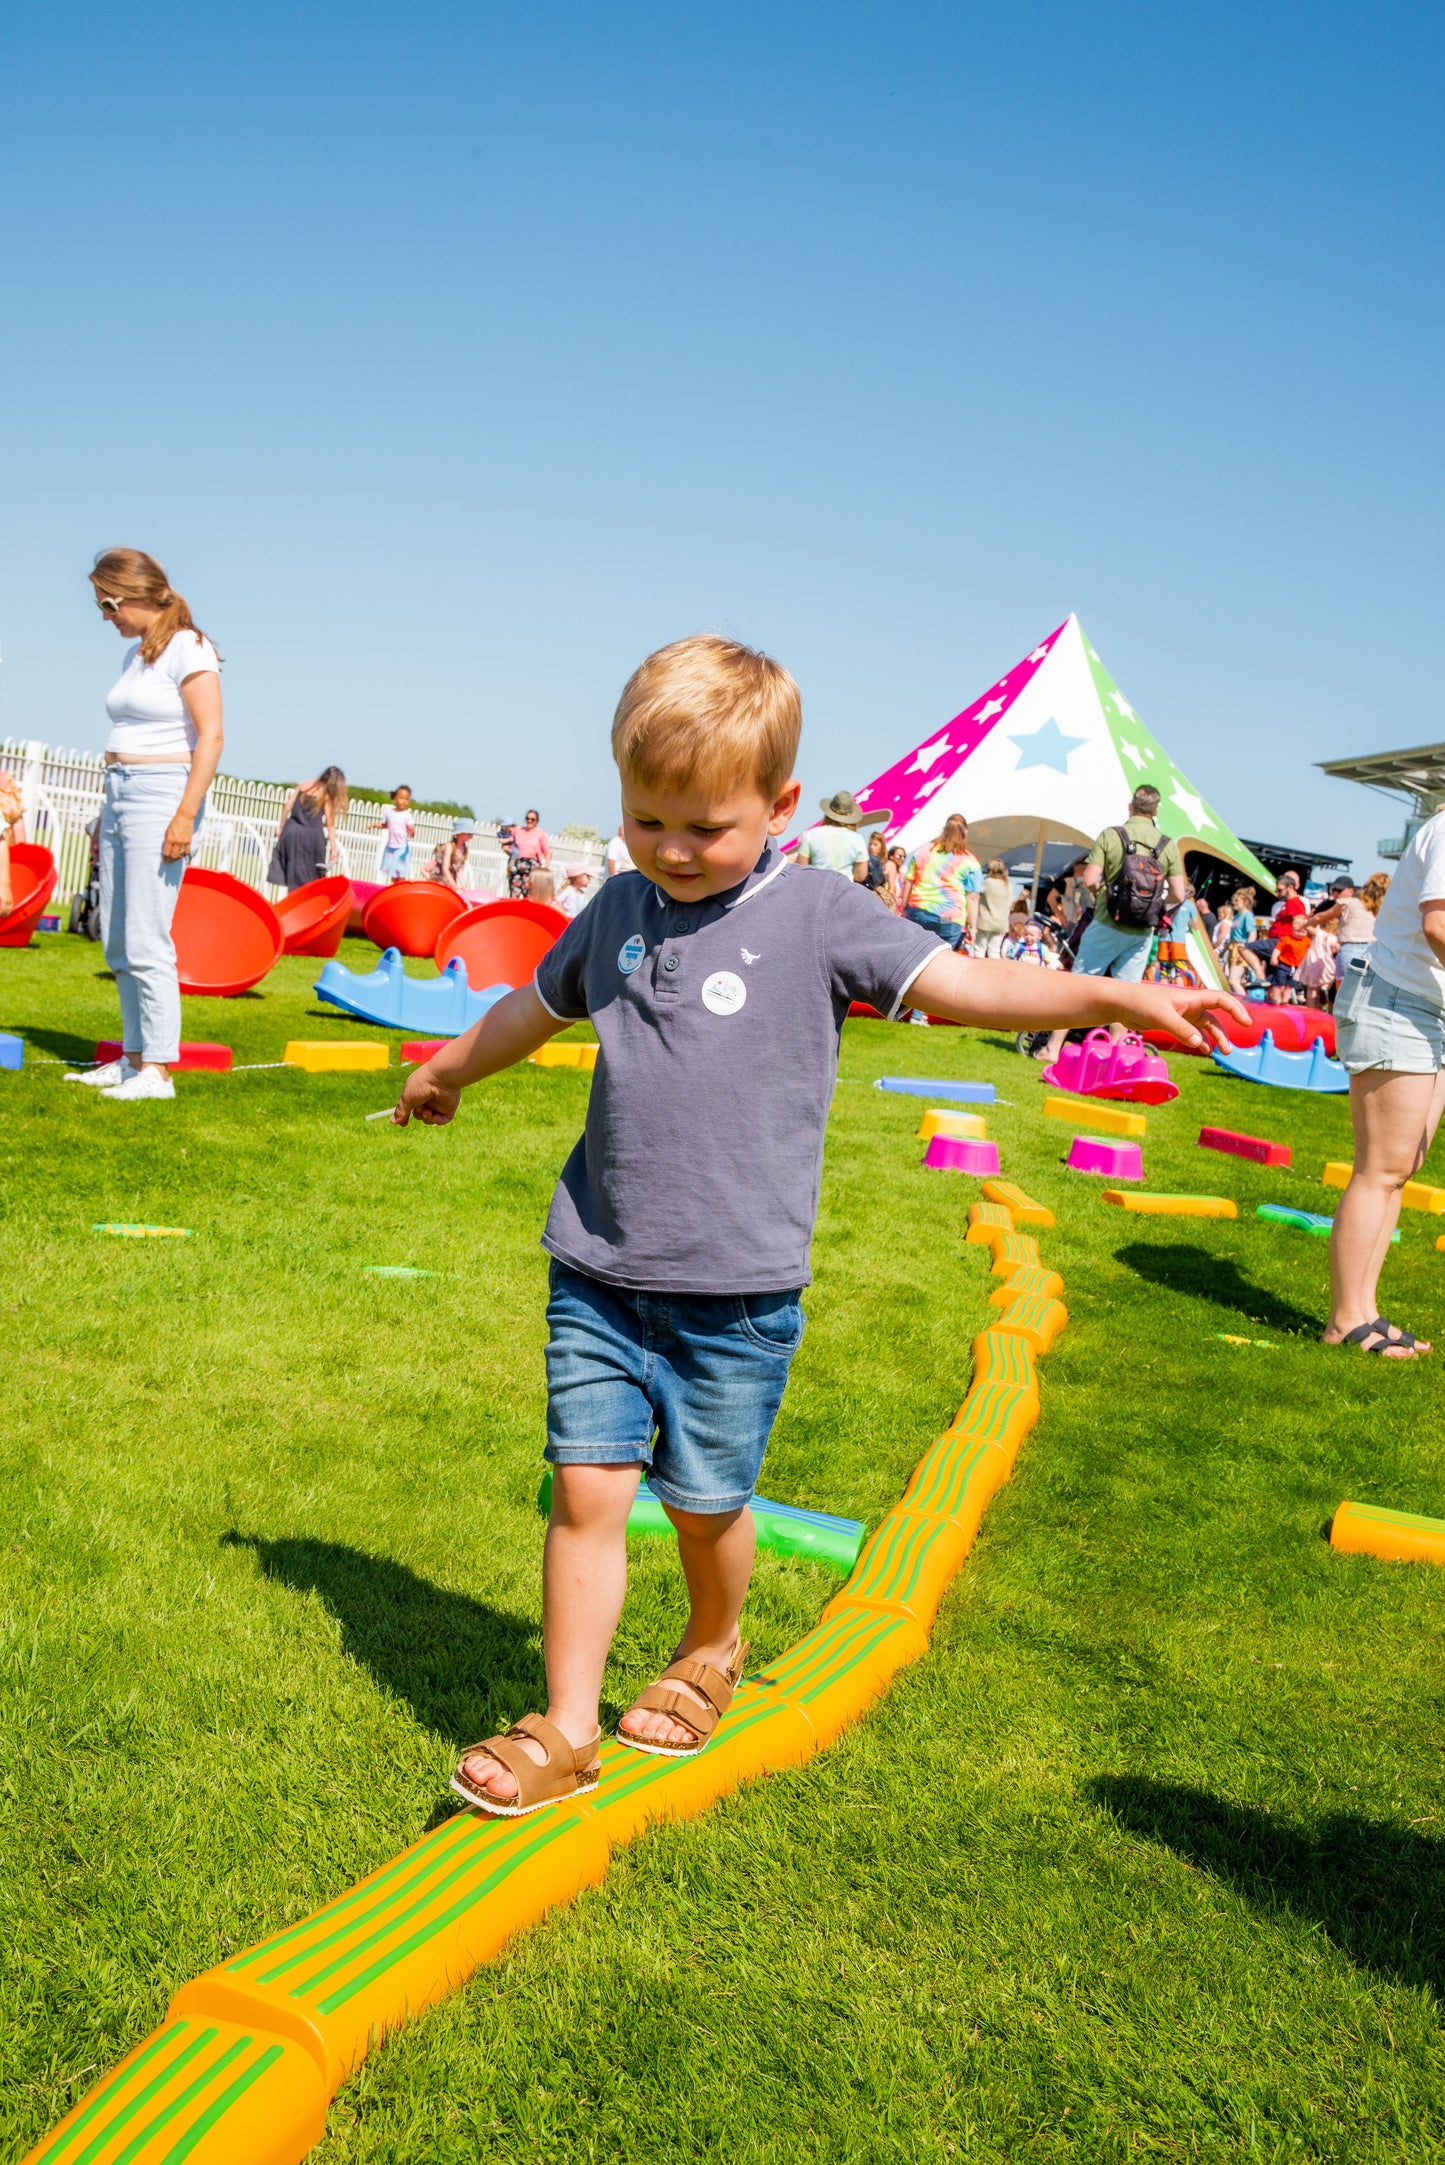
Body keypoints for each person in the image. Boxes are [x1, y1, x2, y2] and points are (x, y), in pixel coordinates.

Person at [390, 632, 1239, 1817]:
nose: (673, 851)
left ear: (780, 805)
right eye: (647, 820)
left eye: (706, 827)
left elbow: (966, 986)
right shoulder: (614, 911)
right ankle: (567, 1725)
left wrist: (1113, 992)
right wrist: (445, 1070)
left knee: (702, 1505)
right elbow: (528, 1011)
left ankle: (712, 1639)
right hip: (596, 1263)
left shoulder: (819, 914)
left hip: (733, 1291)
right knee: (585, 1488)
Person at [64, 547, 223, 1103]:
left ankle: (157, 1070)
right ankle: (132, 1060)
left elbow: (212, 738)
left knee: (147, 934)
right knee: (116, 933)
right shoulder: (138, 654)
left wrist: (183, 815)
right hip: (120, 792)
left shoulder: (190, 647)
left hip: (162, 795)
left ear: (134, 594)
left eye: (108, 605)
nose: (106, 616)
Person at [1326, 818, 1445, 1358]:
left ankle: (1366, 1309)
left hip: (1426, 1011)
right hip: (1397, 1001)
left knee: (1400, 1168)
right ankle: (1344, 1318)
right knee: (1380, 1169)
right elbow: (1437, 925)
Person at [1038, 786, 1186, 1062]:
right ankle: (1118, 1054)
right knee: (1126, 994)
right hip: (1142, 930)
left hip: (1107, 921)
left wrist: (1101, 898)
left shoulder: (1112, 835)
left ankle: (1053, 1048)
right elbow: (1179, 892)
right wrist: (1155, 909)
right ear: (1155, 811)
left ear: (1130, 807)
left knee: (1079, 985)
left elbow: (1091, 879)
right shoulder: (1167, 845)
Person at [902, 813, 983, 950]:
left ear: (944, 829)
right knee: (944, 959)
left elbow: (908, 882)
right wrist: (972, 928)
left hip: (918, 911)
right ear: (965, 832)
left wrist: (904, 909)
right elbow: (973, 897)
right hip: (948, 917)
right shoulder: (970, 861)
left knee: (913, 955)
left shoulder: (923, 851)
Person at [270, 766, 347, 891]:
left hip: (291, 832)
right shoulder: (326, 796)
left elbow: (288, 806)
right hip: (311, 838)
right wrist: (334, 850)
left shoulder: (305, 784)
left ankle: (291, 903)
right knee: (309, 879)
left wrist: (281, 828)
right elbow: (330, 824)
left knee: (292, 874)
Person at [793, 789, 887, 879]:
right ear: (850, 815)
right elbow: (860, 875)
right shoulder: (857, 839)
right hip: (844, 892)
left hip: (816, 890)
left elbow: (801, 868)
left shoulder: (810, 835)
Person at [370, 786, 415, 881]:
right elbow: (386, 825)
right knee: (393, 874)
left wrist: (412, 831)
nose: (404, 801)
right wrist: (373, 825)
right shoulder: (389, 813)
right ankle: (394, 889)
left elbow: (411, 832)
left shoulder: (407, 815)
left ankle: (401, 892)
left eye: (406, 799)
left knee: (401, 874)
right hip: (391, 848)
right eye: (401, 798)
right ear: (395, 798)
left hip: (402, 848)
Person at [975, 859, 1014, 958]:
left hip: (985, 921)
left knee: (979, 949)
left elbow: (975, 895)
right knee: (994, 951)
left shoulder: (987, 882)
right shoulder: (1008, 885)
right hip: (1001, 923)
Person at [424, 818, 475, 890]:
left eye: (472, 834)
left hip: (450, 880)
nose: (471, 836)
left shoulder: (464, 849)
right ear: (460, 833)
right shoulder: (449, 847)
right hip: (439, 878)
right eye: (469, 833)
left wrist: (464, 887)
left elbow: (459, 871)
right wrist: (454, 885)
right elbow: (445, 869)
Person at [862, 830, 890, 898]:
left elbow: (892, 889)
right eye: (870, 844)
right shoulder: (864, 861)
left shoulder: (888, 864)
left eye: (875, 845)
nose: (872, 847)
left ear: (882, 846)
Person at [883, 846, 908, 914]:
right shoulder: (890, 865)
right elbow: (891, 889)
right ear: (891, 856)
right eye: (899, 856)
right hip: (890, 904)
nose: (902, 859)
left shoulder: (900, 874)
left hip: (896, 907)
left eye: (904, 856)